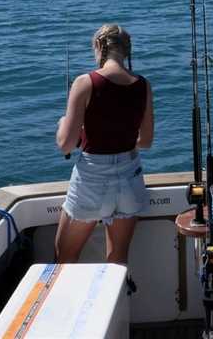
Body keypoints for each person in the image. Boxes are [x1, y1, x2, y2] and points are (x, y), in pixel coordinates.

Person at [55, 23, 154, 265]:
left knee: (65, 256)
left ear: (99, 46)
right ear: (126, 51)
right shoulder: (143, 85)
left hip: (92, 179)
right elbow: (146, 141)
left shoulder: (84, 83)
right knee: (118, 261)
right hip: (130, 177)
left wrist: (63, 124)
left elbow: (66, 145)